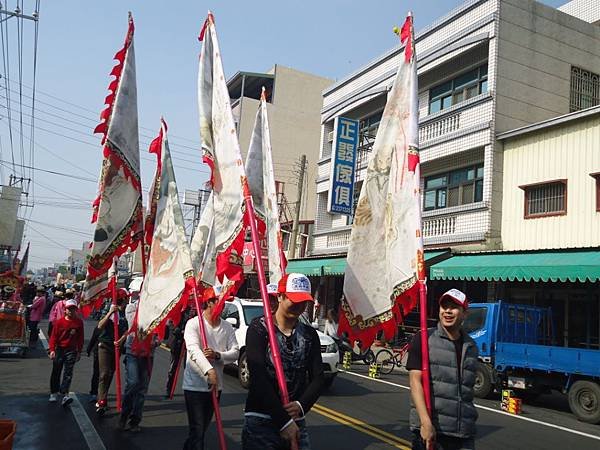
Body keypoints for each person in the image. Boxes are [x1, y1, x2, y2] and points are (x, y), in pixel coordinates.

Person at [242, 273, 325, 450]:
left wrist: (301, 405)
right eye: (293, 299)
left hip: (296, 419)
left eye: (304, 301)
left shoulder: (309, 335)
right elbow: (258, 377)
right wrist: (283, 421)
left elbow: (318, 377)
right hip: (261, 418)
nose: (299, 305)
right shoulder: (259, 329)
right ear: (280, 296)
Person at [407, 289, 479, 450]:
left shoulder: (471, 347)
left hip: (464, 433)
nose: (447, 311)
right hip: (432, 432)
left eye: (453, 307)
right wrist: (425, 423)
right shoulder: (424, 339)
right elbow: (415, 382)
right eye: (444, 306)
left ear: (464, 313)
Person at [182, 286, 239, 449]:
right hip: (195, 386)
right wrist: (209, 370)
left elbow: (235, 352)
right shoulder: (193, 324)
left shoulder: (227, 327)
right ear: (209, 302)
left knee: (201, 429)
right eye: (219, 302)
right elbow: (193, 350)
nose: (222, 306)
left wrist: (218, 355)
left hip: (216, 386)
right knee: (198, 430)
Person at [117, 298, 158, 432]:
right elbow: (133, 325)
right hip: (133, 350)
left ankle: (135, 421)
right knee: (133, 383)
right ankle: (124, 415)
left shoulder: (159, 310)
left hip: (148, 354)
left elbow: (161, 333)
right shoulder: (131, 308)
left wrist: (155, 342)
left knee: (141, 389)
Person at [95, 291, 129, 415]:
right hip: (105, 345)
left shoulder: (125, 313)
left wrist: (121, 340)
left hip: (117, 347)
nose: (127, 301)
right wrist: (110, 313)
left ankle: (103, 396)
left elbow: (128, 329)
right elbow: (100, 326)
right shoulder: (109, 311)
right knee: (104, 373)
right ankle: (101, 400)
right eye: (125, 299)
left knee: (110, 373)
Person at [48, 299, 84, 406]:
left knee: (68, 373)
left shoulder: (78, 322)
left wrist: (79, 351)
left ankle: (65, 394)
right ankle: (54, 392)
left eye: (73, 309)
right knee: (56, 371)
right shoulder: (59, 322)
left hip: (71, 350)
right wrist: (52, 350)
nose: (71, 311)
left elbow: (80, 338)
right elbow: (53, 337)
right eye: (69, 309)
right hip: (60, 349)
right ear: (65, 310)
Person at [166, 306, 193, 398]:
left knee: (189, 368)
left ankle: (189, 391)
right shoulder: (177, 309)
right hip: (177, 342)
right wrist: (182, 331)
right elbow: (172, 325)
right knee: (173, 367)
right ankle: (169, 389)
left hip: (189, 344)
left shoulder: (193, 311)